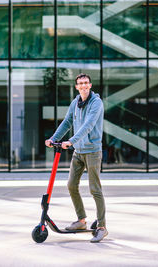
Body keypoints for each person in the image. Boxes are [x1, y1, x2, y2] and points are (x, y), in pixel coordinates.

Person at [45, 73, 107, 243]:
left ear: (90, 85)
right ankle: (81, 220)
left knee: (95, 189)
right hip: (78, 151)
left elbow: (89, 124)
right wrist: (53, 139)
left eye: (86, 83)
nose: (84, 86)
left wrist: (71, 141)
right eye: (80, 84)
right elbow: (66, 122)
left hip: (92, 151)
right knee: (72, 185)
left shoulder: (96, 103)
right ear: (77, 87)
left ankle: (102, 226)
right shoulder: (75, 103)